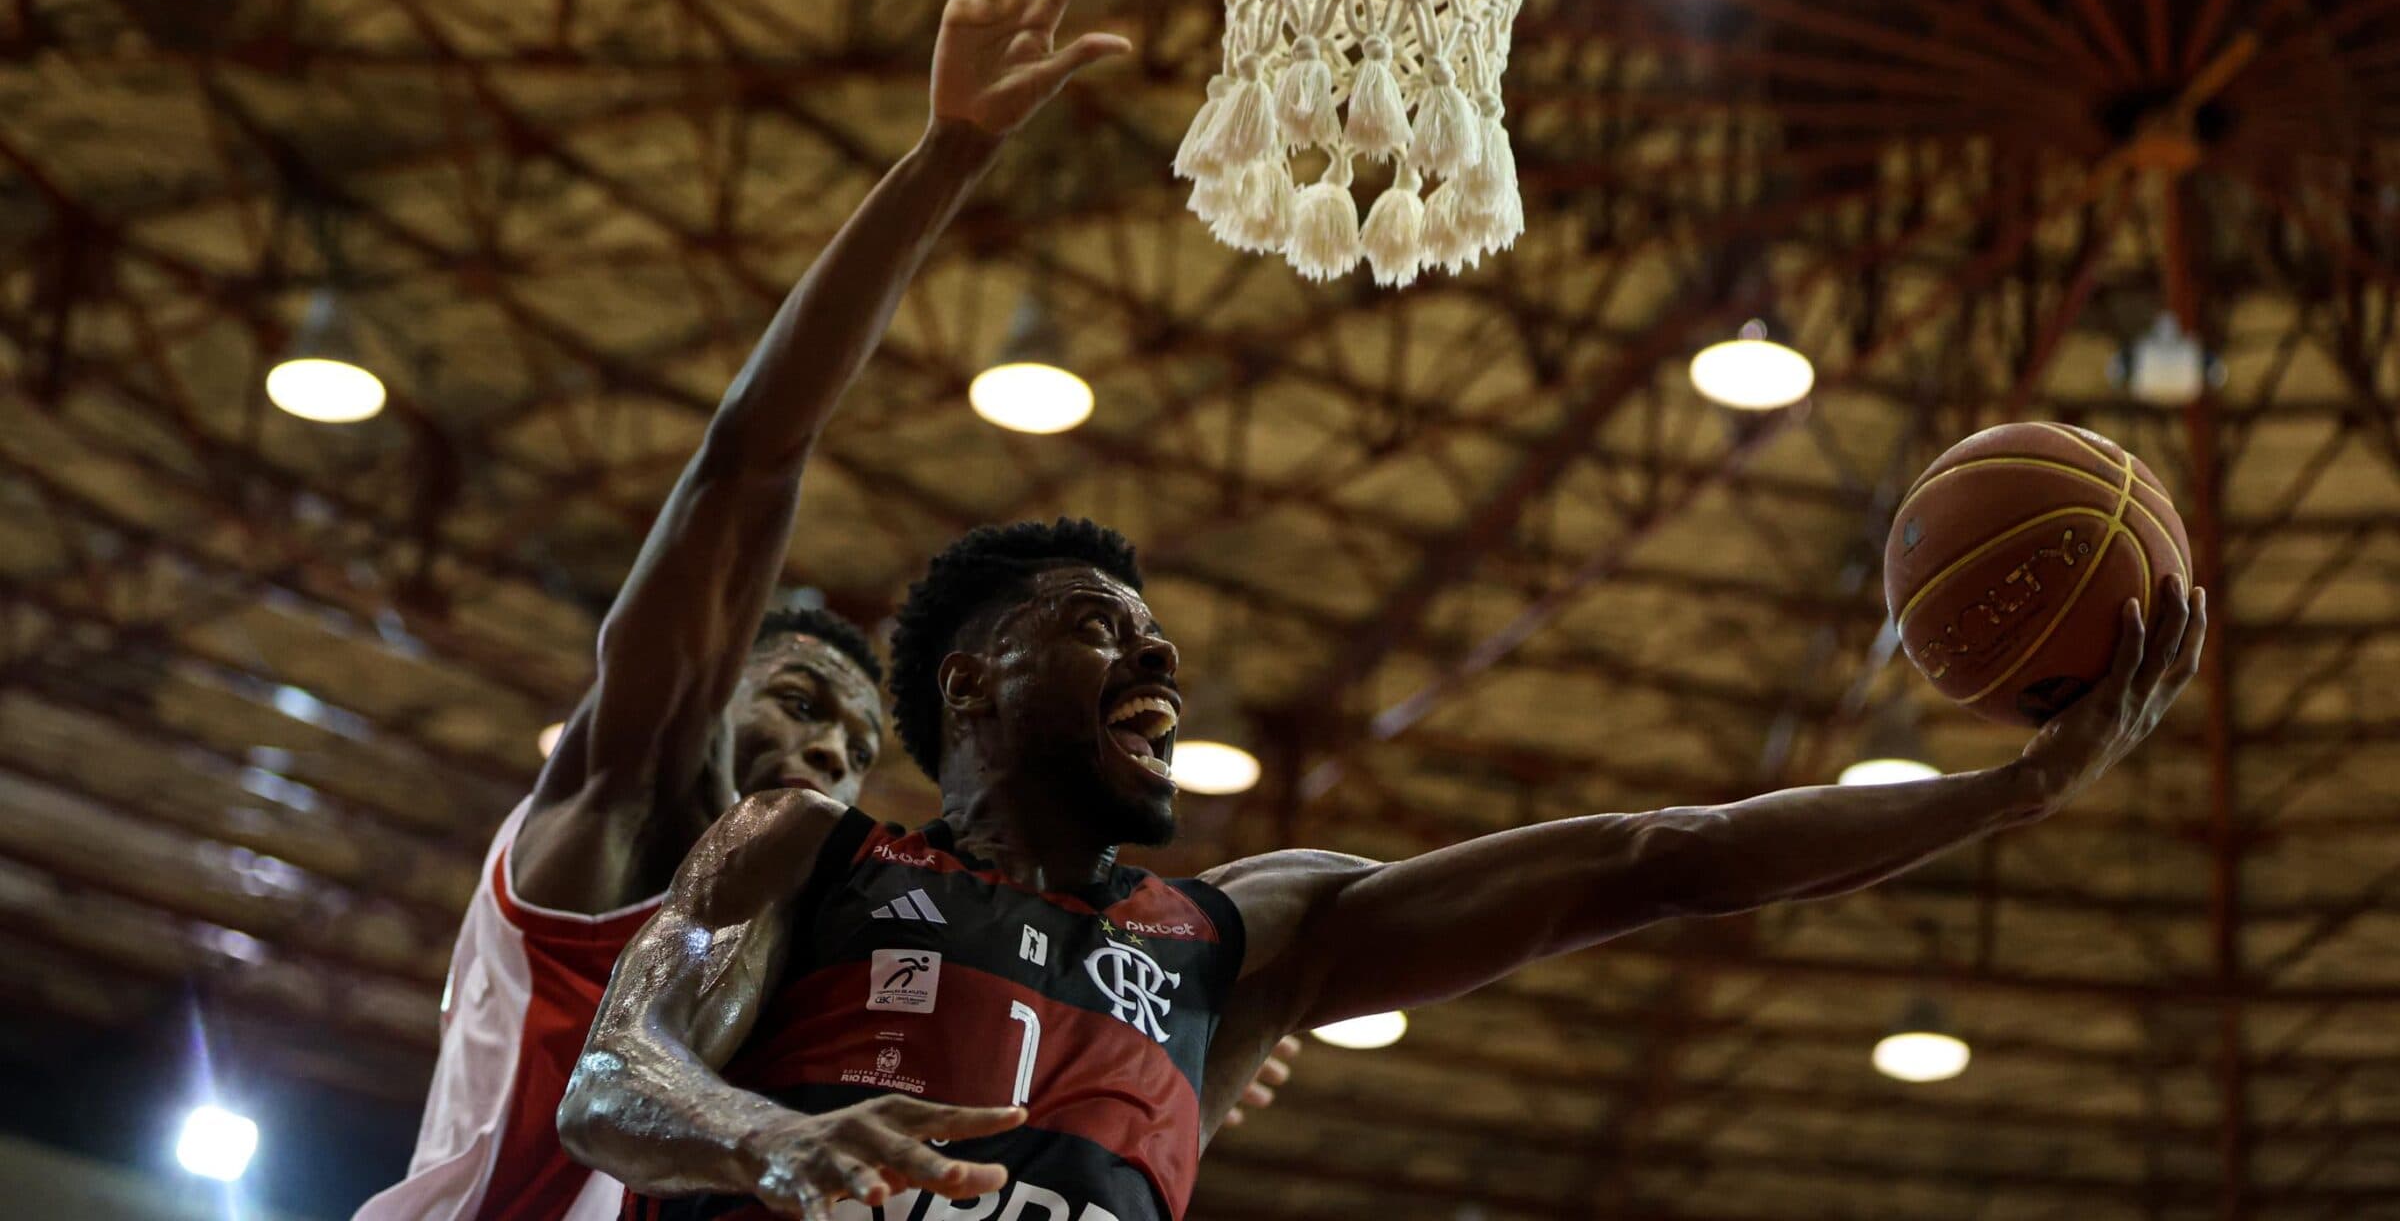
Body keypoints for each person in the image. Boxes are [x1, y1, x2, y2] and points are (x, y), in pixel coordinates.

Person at [357, 0, 1313, 1221]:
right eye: (801, 702)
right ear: (709, 692)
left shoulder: (796, 927)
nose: (825, 755)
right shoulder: (624, 811)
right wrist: (948, 156)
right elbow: (747, 462)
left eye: (857, 746)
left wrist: (1166, 1051)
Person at [560, 518, 2205, 1221]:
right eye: (1101, 630)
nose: (1161, 660)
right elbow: (613, 1078)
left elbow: (1660, 861)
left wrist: (2010, 794)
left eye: (1158, 639)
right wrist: (771, 1141)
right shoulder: (811, 850)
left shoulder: (1240, 941)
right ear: (975, 681)